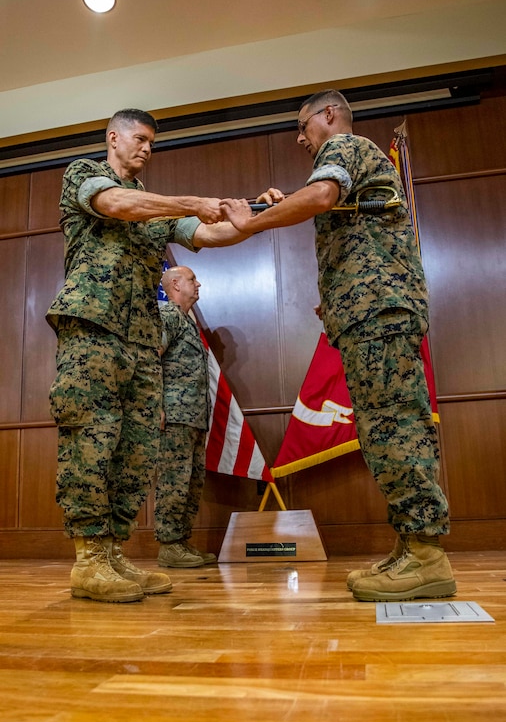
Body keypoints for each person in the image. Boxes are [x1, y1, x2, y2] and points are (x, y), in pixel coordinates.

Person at [220, 89, 456, 603]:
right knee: (381, 428)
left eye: (303, 127)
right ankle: (411, 545)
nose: (301, 139)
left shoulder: (345, 146)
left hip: (379, 313)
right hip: (366, 314)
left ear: (329, 116)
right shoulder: (345, 164)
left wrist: (253, 222)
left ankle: (426, 555)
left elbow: (322, 197)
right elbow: (343, 219)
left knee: (395, 425)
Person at [47, 108, 247, 603]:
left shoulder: (155, 209)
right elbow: (118, 204)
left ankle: (113, 553)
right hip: (92, 326)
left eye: (152, 143)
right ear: (113, 137)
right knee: (91, 439)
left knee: (135, 450)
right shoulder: (85, 175)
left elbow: (209, 233)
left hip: (141, 338)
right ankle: (89, 558)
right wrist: (192, 202)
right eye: (139, 139)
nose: (146, 149)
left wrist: (252, 218)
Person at [154, 266, 216, 569]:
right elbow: (153, 357)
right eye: (193, 279)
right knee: (174, 482)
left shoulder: (187, 323)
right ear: (175, 284)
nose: (198, 283)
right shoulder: (167, 316)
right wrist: (157, 406)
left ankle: (181, 543)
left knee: (191, 483)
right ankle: (169, 545)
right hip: (175, 416)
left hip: (193, 417)